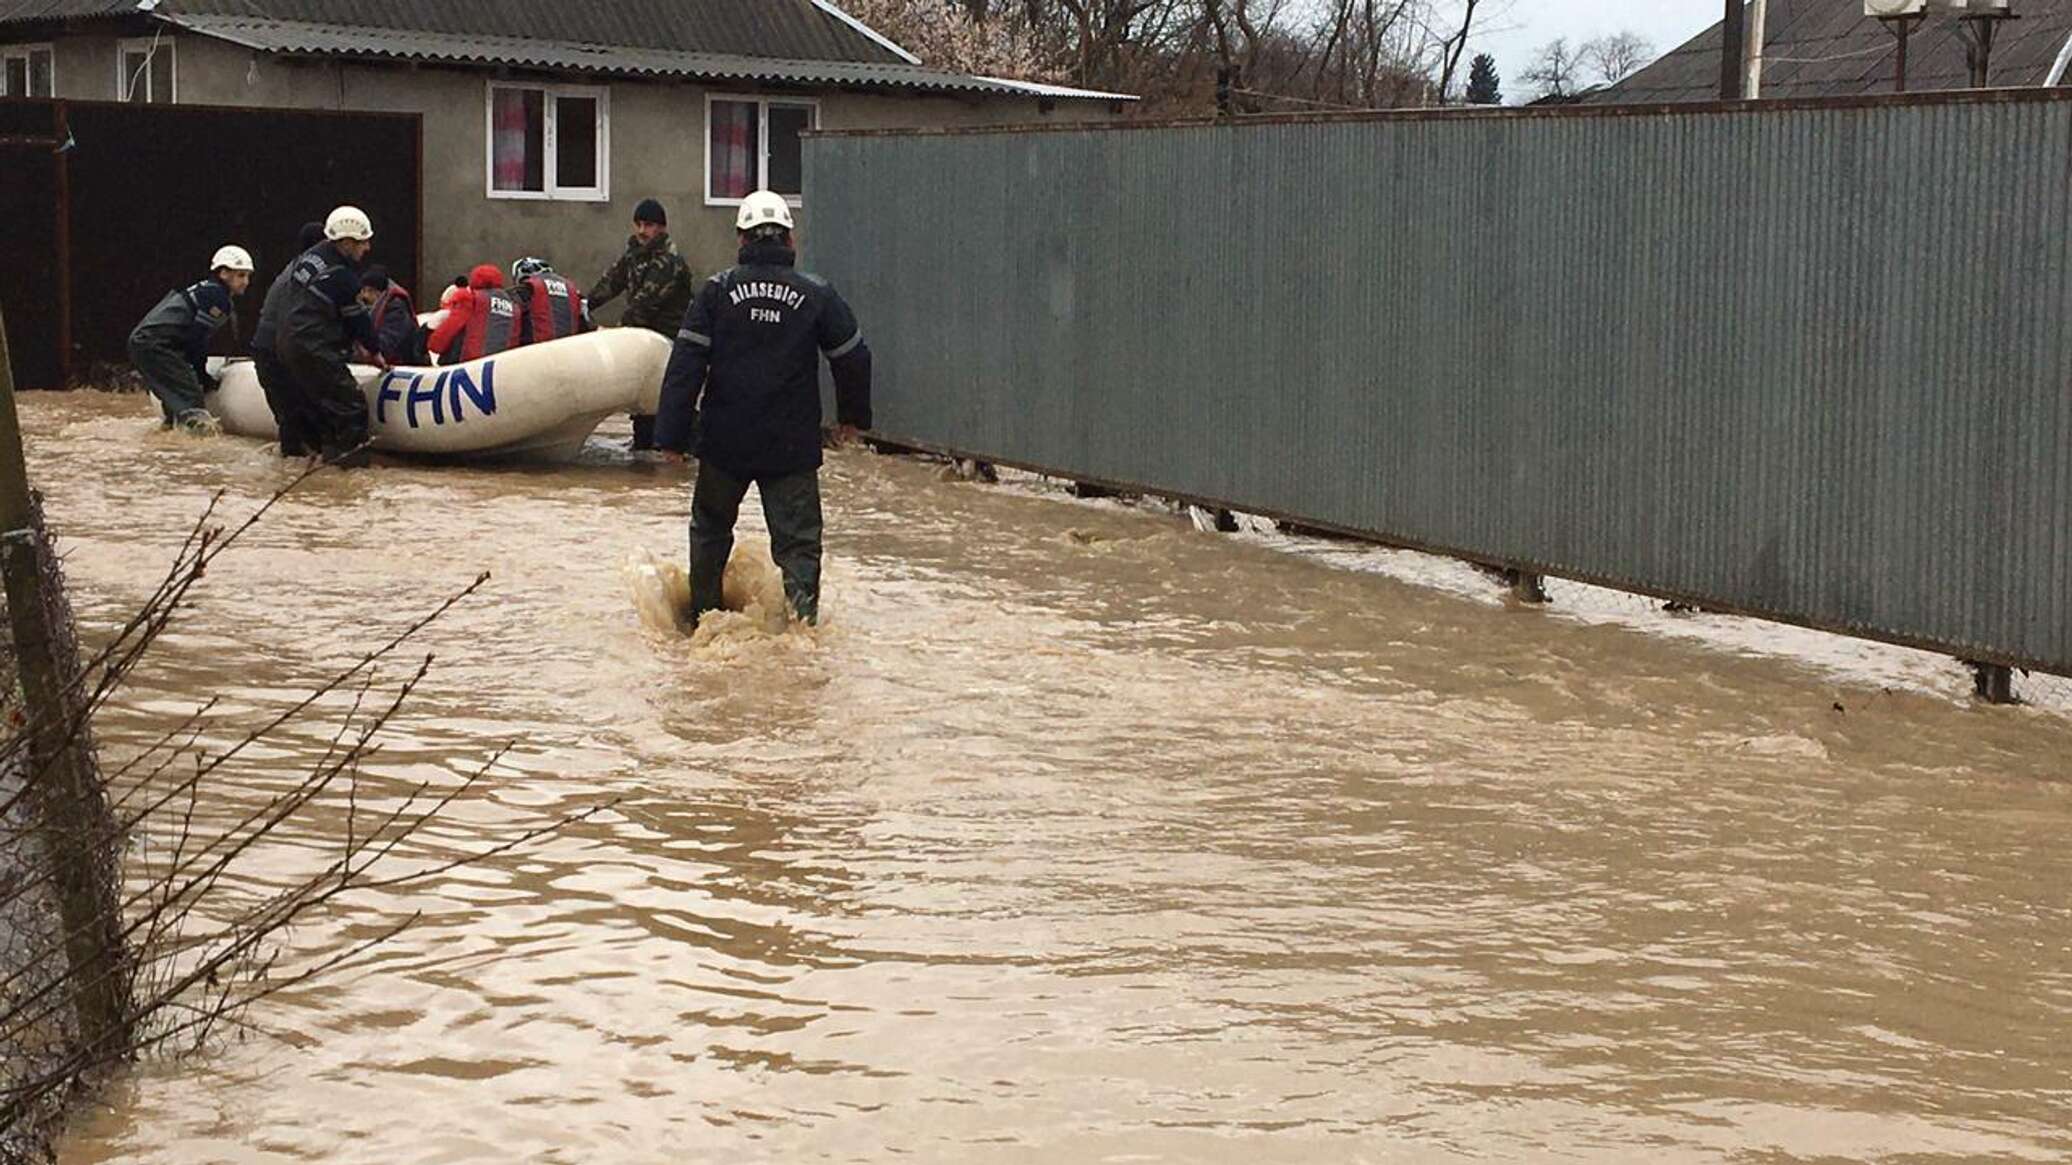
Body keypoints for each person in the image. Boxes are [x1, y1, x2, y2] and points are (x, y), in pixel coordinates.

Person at [656, 190, 872, 628]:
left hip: (724, 442)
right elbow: (853, 356)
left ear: (742, 239)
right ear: (789, 240)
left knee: (711, 533)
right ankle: (802, 628)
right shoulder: (816, 294)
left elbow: (685, 365)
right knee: (798, 546)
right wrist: (853, 418)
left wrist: (671, 437)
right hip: (790, 446)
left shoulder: (717, 292)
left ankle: (703, 621)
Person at [252, 205, 377, 461]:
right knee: (349, 407)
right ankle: (350, 473)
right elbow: (359, 322)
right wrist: (374, 350)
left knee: (302, 417)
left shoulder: (308, 258)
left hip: (283, 345)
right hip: (310, 346)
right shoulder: (342, 276)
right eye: (363, 242)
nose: (367, 249)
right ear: (347, 242)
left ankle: (310, 472)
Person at [592, 198, 694, 449]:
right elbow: (609, 284)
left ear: (661, 228)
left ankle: (678, 452)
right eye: (638, 224)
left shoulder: (669, 262)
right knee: (644, 412)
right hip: (644, 345)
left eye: (648, 225)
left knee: (670, 407)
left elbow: (643, 305)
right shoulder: (634, 256)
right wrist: (583, 305)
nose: (641, 231)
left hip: (670, 345)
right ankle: (645, 455)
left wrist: (613, 337)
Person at [127, 245, 253, 431]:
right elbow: (196, 340)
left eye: (248, 276)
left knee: (176, 402)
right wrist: (202, 376)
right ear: (224, 273)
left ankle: (169, 443)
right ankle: (197, 446)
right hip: (156, 345)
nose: (246, 282)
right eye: (241, 275)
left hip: (146, 342)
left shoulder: (206, 290)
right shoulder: (217, 297)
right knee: (190, 397)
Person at [426, 264, 522, 364]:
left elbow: (453, 325)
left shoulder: (470, 298)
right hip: (498, 366)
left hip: (467, 364)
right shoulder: (514, 306)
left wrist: (435, 345)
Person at [508, 256, 592, 346]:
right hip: (570, 349)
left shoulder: (527, 289)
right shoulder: (573, 289)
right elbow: (587, 322)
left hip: (535, 351)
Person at [358, 266, 424, 366]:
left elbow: (388, 343)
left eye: (370, 291)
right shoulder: (371, 308)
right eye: (363, 291)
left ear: (380, 292)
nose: (365, 296)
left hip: (401, 364)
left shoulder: (396, 309)